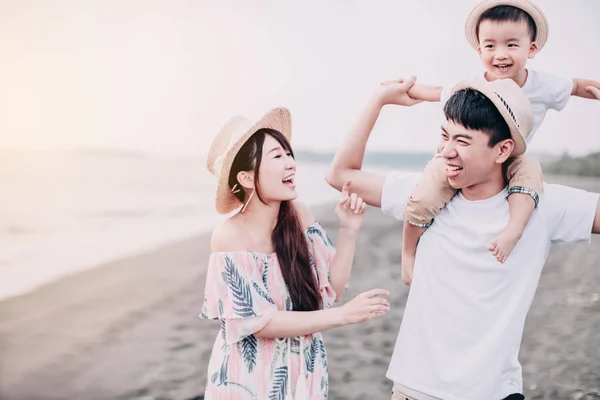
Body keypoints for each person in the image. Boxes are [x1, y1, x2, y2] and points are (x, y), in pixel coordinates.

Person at [326, 77, 600, 399]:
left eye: (463, 141)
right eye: (444, 136)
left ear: (502, 150)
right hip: (415, 391)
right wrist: (379, 99)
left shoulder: (542, 206)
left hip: (494, 392)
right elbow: (340, 175)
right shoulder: (425, 194)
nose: (447, 151)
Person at [399, 0, 600, 285]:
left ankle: (513, 230)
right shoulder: (471, 85)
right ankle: (408, 253)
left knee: (531, 173)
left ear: (532, 48)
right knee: (428, 191)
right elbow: (436, 92)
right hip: (462, 156)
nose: (500, 54)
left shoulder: (544, 85)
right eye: (490, 46)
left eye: (511, 45)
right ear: (479, 49)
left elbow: (579, 86)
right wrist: (403, 90)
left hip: (511, 156)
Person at [200, 107, 390, 399]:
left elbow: (331, 290)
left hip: (306, 372)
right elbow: (261, 323)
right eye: (277, 156)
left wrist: (349, 230)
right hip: (250, 381)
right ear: (247, 178)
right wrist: (342, 317)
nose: (291, 163)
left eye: (288, 154)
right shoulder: (229, 236)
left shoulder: (299, 215)